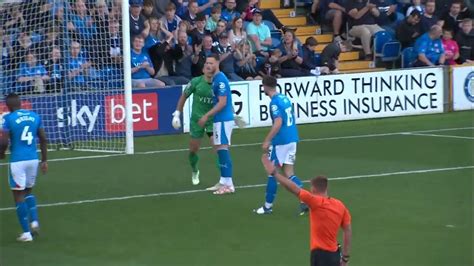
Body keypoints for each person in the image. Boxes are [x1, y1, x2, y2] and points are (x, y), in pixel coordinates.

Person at [260, 154, 352, 266]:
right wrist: (345, 258)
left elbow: (293, 188)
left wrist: (275, 174)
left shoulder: (316, 202)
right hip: (335, 254)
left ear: (313, 189)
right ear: (326, 188)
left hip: (320, 256)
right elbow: (347, 230)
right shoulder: (340, 205)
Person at [254, 76, 307, 215]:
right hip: (292, 138)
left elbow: (278, 122)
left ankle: (267, 207)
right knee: (289, 173)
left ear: (264, 86)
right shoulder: (284, 98)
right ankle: (306, 200)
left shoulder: (274, 103)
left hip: (281, 142)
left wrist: (267, 140)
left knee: (272, 173)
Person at [0, 93, 48, 242]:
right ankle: (34, 221)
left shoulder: (8, 119)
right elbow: (43, 138)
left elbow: (3, 142)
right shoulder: (35, 116)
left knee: (18, 196)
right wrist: (44, 160)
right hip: (33, 159)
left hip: (17, 161)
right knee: (28, 191)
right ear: (21, 103)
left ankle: (27, 233)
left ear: (8, 106)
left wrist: (1, 153)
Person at [198, 54, 235, 195]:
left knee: (223, 149)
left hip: (223, 119)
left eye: (211, 63)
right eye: (207, 63)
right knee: (219, 149)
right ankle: (223, 180)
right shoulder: (215, 79)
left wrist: (206, 116)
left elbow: (222, 102)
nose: (208, 65)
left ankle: (229, 184)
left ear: (218, 63)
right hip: (221, 119)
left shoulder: (220, 80)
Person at [172, 67, 215, 185]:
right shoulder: (196, 82)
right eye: (207, 67)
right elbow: (184, 96)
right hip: (197, 120)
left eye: (211, 67)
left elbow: (225, 100)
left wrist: (233, 115)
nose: (209, 69)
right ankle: (195, 170)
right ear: (203, 70)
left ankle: (224, 179)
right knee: (193, 149)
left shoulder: (219, 83)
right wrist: (177, 114)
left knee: (218, 147)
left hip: (212, 120)